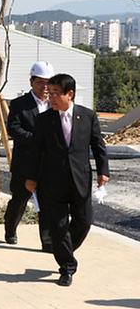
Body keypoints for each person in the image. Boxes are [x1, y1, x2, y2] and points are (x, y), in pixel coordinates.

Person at [25, 73, 109, 287]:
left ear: (69, 94)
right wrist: (31, 177)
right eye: (49, 93)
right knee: (58, 226)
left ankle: (64, 248)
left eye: (55, 93)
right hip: (52, 182)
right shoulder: (44, 120)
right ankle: (67, 267)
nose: (50, 97)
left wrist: (103, 171)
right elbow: (35, 151)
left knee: (84, 221)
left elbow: (98, 145)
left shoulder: (88, 116)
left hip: (80, 178)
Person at [4, 61, 54, 252]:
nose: (45, 87)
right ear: (32, 82)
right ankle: (10, 229)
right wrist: (36, 140)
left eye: (48, 82)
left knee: (47, 202)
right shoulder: (20, 104)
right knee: (20, 199)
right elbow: (14, 129)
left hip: (47, 164)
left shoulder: (54, 104)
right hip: (25, 162)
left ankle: (47, 240)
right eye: (40, 82)